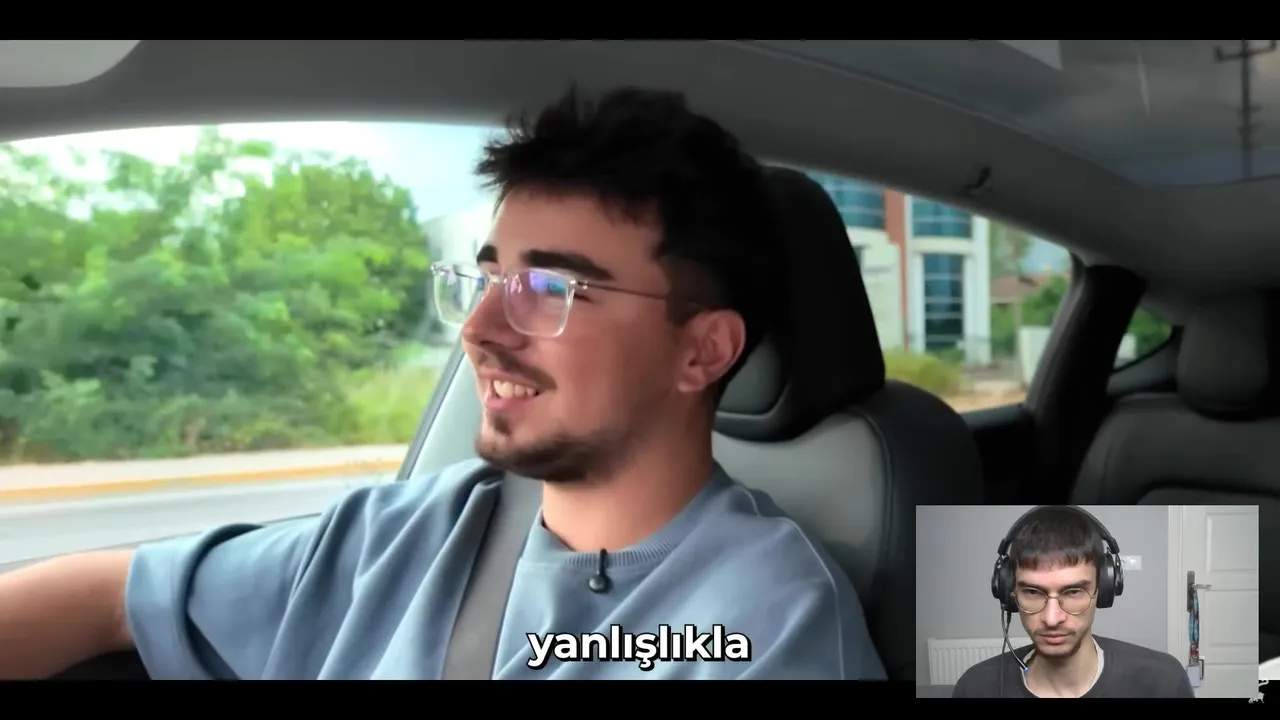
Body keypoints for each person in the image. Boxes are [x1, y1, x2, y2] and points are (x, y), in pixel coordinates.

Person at [0, 86, 886, 680]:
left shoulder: (772, 627)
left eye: (549, 289)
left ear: (702, 352)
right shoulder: (400, 533)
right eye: (488, 279)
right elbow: (106, 596)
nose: (478, 330)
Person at [953, 505, 1194, 698]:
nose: (1052, 619)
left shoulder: (1162, 682)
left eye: (1073, 592)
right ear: (1009, 593)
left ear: (1103, 590)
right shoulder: (975, 688)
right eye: (1033, 592)